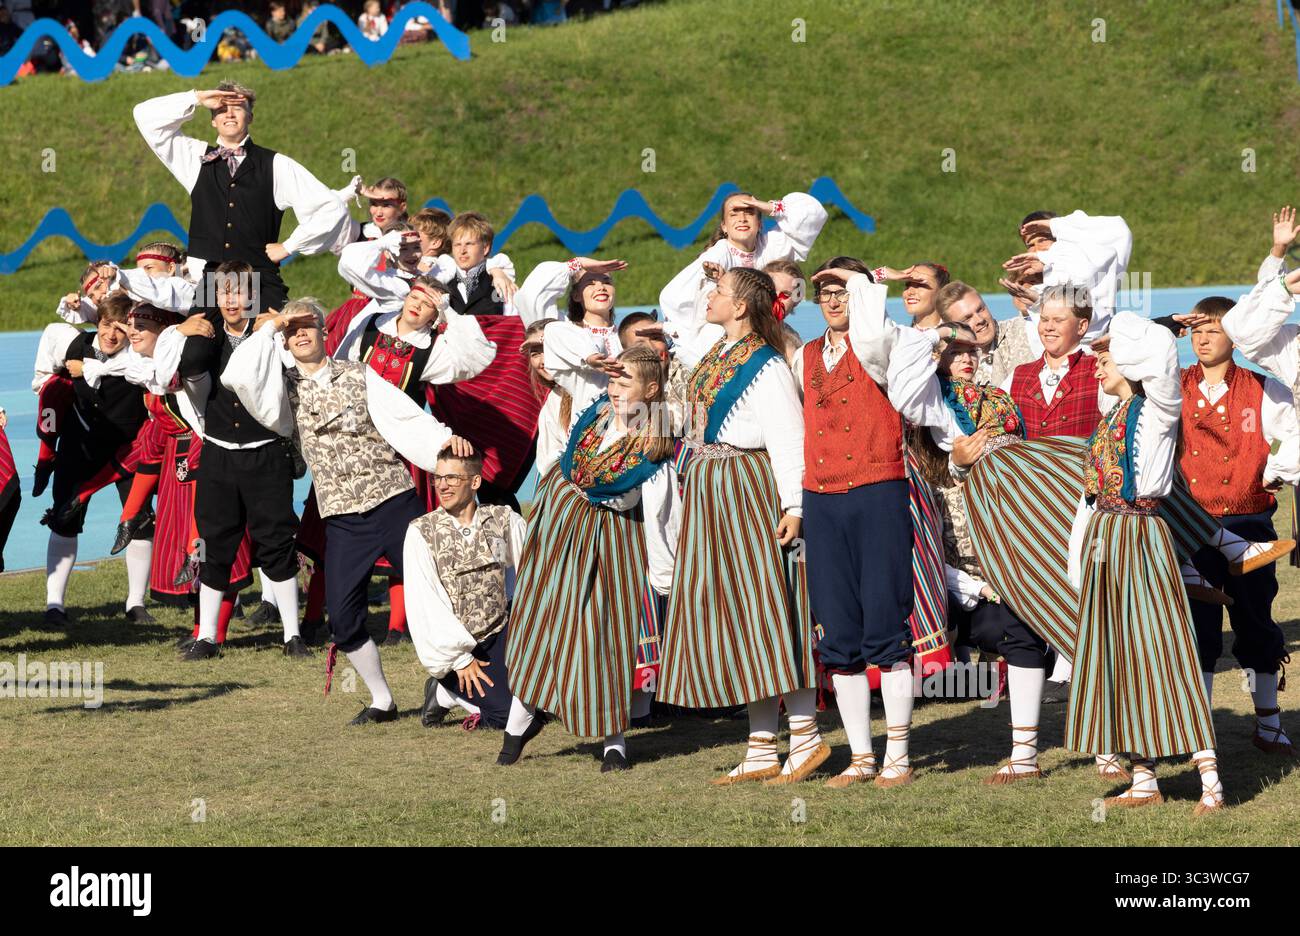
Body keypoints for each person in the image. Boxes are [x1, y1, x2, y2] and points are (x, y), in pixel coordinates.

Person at [221, 298, 464, 724]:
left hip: (392, 500)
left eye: (307, 325)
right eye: (291, 329)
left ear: (324, 331)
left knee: (441, 590)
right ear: (283, 340)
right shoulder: (280, 393)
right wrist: (269, 326)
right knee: (344, 615)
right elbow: (235, 375)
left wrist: (444, 440)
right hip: (342, 518)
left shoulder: (358, 374)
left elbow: (405, 418)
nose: (300, 333)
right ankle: (382, 701)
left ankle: (456, 685)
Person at [658, 267, 825, 785]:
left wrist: (794, 506)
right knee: (737, 617)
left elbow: (788, 437)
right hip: (712, 493)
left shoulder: (766, 365)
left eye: (720, 292)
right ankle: (759, 748)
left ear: (742, 307)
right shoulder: (718, 355)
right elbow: (694, 418)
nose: (710, 296)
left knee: (767, 612)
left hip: (747, 493)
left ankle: (806, 736)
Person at [1068, 315, 1222, 814]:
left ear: (1131, 364)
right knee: (1119, 650)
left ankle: (1211, 780)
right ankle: (1143, 776)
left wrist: (1140, 331)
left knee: (1163, 645)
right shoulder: (1112, 414)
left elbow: (1161, 370)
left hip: (1140, 532)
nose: (1096, 368)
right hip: (1108, 535)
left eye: (1105, 360)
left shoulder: (1155, 411)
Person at [505, 341, 678, 770]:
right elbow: (554, 343)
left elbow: (659, 508)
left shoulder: (658, 435)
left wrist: (663, 575)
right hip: (559, 521)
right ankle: (520, 717)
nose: (616, 388)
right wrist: (593, 358)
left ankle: (613, 736)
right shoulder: (593, 402)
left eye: (627, 381)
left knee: (603, 629)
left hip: (614, 537)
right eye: (614, 379)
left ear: (653, 389)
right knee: (541, 617)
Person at [161, 261, 307, 660]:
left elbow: (297, 367)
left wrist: (279, 327)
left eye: (239, 291)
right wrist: (179, 329)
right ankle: (207, 636)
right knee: (213, 543)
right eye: (224, 292)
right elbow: (163, 373)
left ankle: (292, 635)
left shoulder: (270, 335)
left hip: (266, 454)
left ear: (252, 296)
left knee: (276, 540)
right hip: (219, 455)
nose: (230, 299)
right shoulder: (204, 341)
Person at [1179, 295, 1299, 756]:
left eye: (1214, 328)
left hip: (1249, 524)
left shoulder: (1263, 388)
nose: (1203, 337)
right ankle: (1200, 729)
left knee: (1255, 624)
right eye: (1197, 329)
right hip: (1191, 530)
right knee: (1199, 630)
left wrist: (1275, 470)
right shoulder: (1171, 385)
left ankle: (1268, 722)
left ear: (1236, 335)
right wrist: (1170, 323)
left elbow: (1293, 434)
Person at [133, 82, 351, 313]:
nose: (228, 113)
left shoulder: (276, 164)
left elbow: (332, 207)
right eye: (221, 108)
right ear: (212, 120)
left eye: (237, 107)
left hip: (258, 281)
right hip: (210, 281)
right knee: (198, 348)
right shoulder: (195, 157)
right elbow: (145, 116)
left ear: (250, 117)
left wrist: (290, 246)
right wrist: (197, 98)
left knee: (269, 343)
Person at [42, 296, 151, 628]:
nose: (112, 335)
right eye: (106, 325)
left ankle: (136, 603)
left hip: (128, 450)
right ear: (97, 322)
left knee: (141, 521)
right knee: (64, 518)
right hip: (80, 447)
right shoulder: (76, 345)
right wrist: (47, 447)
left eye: (120, 329)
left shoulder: (139, 357)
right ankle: (54, 604)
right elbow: (48, 387)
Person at [404, 445, 528, 732]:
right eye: (438, 478)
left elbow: (527, 573)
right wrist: (459, 660)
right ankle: (444, 691)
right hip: (458, 648)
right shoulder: (422, 532)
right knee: (509, 717)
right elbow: (425, 603)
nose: (442, 485)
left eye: (452, 479)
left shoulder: (504, 519)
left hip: (502, 632)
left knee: (541, 706)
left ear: (474, 482)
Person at [658, 190, 828, 347]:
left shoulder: (771, 245)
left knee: (795, 348)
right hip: (723, 339)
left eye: (749, 212)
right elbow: (673, 297)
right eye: (734, 213)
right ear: (724, 226)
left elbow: (813, 214)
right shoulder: (718, 254)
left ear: (760, 223)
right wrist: (724, 284)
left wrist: (768, 207)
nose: (742, 218)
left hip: (767, 331)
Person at [1006, 209, 1132, 342]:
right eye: (1030, 245)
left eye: (1042, 240)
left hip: (1093, 347)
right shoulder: (1038, 273)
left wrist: (1055, 225)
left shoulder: (1090, 260)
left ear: (1060, 236)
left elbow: (1119, 231)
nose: (1037, 249)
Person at [936, 281, 1036, 388]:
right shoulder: (947, 360)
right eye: (967, 318)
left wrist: (1038, 302)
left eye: (980, 309)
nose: (980, 319)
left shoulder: (1022, 328)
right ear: (952, 327)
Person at [871, 262, 950, 330]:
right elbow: (859, 288)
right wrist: (884, 272)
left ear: (942, 292)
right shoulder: (898, 335)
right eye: (908, 285)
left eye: (920, 285)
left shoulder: (955, 337)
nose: (909, 292)